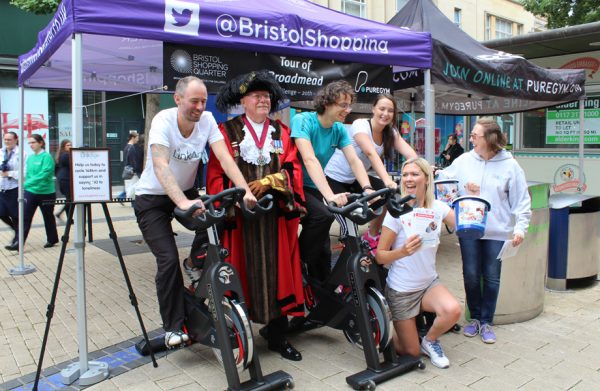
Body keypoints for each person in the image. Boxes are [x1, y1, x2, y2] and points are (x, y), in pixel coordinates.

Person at [133, 76, 257, 348]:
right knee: (166, 260)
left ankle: (194, 264)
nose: (200, 107)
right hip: (152, 198)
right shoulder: (163, 121)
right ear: (178, 99)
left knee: (220, 216)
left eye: (203, 101)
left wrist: (245, 190)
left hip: (185, 193)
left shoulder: (208, 121)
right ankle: (173, 328)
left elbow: (225, 158)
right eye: (194, 101)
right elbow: (161, 165)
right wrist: (182, 202)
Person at [206, 70, 305, 361]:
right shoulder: (226, 132)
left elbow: (293, 169)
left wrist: (269, 183)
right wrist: (234, 198)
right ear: (244, 100)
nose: (263, 100)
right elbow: (214, 172)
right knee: (241, 273)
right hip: (242, 218)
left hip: (274, 217)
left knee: (280, 275)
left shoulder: (282, 132)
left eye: (267, 96)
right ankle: (239, 333)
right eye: (257, 96)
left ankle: (277, 335)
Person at [438, 117, 531, 344]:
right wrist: (450, 182)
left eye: (475, 136)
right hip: (469, 227)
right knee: (470, 275)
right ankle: (475, 319)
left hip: (497, 231)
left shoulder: (510, 165)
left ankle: (487, 321)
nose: (470, 139)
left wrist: (520, 229)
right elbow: (446, 180)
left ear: (489, 139)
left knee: (491, 277)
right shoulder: (465, 160)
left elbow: (521, 200)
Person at [375, 157, 461, 369]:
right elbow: (380, 255)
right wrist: (402, 251)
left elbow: (463, 225)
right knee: (412, 353)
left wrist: (472, 201)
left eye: (414, 174)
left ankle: (430, 340)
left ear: (427, 178)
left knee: (453, 310)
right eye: (405, 175)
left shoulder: (437, 207)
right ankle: (386, 333)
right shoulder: (396, 212)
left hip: (428, 284)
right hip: (402, 290)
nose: (408, 179)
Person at [291, 80, 375, 283]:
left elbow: (354, 160)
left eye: (349, 105)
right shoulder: (304, 120)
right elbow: (309, 159)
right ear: (327, 103)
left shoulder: (338, 129)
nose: (348, 110)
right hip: (294, 185)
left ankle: (322, 293)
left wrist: (367, 188)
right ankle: (297, 265)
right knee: (324, 215)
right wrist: (329, 196)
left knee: (323, 250)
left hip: (314, 185)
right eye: (343, 105)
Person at [324, 93, 417, 252]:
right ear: (373, 109)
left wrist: (422, 169)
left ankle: (372, 235)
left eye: (390, 110)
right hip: (334, 179)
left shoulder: (390, 132)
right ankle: (347, 252)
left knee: (388, 196)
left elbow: (411, 155)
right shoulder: (360, 125)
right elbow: (370, 153)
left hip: (356, 179)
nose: (385, 114)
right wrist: (387, 180)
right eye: (382, 108)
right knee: (350, 223)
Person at [10, 134, 59, 251]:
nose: (31, 145)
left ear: (41, 143)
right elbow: (28, 174)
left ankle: (52, 239)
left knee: (48, 217)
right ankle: (18, 243)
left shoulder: (46, 157)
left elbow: (44, 174)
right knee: (25, 217)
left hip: (46, 193)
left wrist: (26, 184)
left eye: (33, 142)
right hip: (31, 192)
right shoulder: (31, 158)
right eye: (29, 143)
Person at [1, 131, 20, 249]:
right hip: (2, 188)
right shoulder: (1, 152)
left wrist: (10, 173)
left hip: (14, 188)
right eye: (5, 139)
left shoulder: (21, 154)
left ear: (15, 140)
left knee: (15, 216)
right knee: (1, 213)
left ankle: (17, 240)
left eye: (9, 139)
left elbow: (24, 172)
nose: (7, 141)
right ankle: (17, 231)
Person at [117, 131, 143, 200]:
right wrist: (135, 169)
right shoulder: (131, 148)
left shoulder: (127, 147)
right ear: (133, 138)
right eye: (137, 138)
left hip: (128, 170)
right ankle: (122, 198)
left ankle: (121, 197)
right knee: (132, 188)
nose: (137, 139)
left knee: (129, 187)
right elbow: (133, 161)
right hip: (131, 171)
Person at [54, 139, 72, 220]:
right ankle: (63, 215)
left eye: (71, 145)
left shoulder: (61, 155)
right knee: (70, 199)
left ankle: (68, 218)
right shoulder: (66, 155)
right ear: (63, 147)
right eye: (68, 145)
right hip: (66, 179)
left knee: (69, 199)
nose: (70, 146)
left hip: (63, 179)